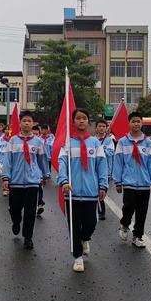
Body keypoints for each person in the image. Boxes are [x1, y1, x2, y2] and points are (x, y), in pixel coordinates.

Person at [58, 109, 108, 272]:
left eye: (84, 118)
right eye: (78, 118)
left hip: (90, 192)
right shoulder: (67, 143)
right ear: (73, 121)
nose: (81, 121)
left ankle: (85, 238)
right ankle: (77, 257)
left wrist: (103, 185)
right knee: (74, 226)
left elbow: (102, 166)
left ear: (88, 122)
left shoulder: (95, 143)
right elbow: (62, 163)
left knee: (91, 223)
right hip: (71, 193)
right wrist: (64, 181)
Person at [2, 111, 50, 249]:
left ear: (33, 123)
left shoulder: (38, 142)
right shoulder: (13, 141)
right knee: (14, 209)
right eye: (24, 121)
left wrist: (45, 175)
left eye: (29, 121)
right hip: (15, 182)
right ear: (20, 123)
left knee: (30, 211)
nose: (27, 123)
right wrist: (6, 177)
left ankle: (28, 237)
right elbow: (7, 161)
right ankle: (16, 222)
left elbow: (42, 160)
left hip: (32, 182)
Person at [113, 111, 151, 248]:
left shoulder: (147, 142)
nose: (136, 124)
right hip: (128, 183)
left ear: (142, 123)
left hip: (144, 183)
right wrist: (118, 181)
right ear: (129, 123)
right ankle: (124, 224)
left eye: (138, 121)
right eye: (133, 121)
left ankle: (137, 236)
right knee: (128, 207)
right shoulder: (122, 142)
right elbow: (118, 162)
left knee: (142, 212)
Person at [94, 119, 115, 220]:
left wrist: (100, 149)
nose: (101, 128)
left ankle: (102, 210)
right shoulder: (92, 140)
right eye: (100, 126)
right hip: (93, 170)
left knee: (102, 190)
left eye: (103, 126)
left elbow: (110, 152)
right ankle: (99, 210)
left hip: (105, 170)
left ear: (106, 128)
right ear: (96, 128)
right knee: (95, 190)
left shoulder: (109, 140)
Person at [32, 125, 45, 216]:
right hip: (28, 175)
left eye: (37, 134)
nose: (35, 136)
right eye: (33, 134)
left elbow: (42, 160)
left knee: (39, 190)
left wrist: (45, 174)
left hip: (38, 174)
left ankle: (39, 205)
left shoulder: (40, 143)